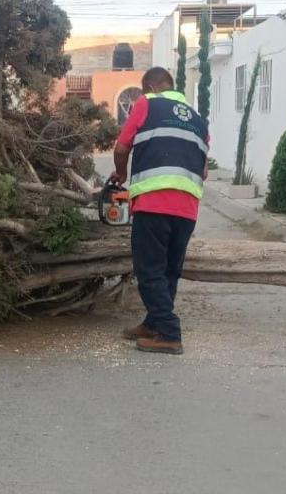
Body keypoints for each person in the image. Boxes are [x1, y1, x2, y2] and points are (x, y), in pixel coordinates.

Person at [109, 67, 210, 355]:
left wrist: (120, 174)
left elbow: (121, 148)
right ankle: (154, 323)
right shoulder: (198, 119)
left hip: (154, 202)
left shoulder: (147, 103)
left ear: (150, 88)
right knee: (168, 270)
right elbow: (203, 170)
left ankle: (169, 332)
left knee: (149, 269)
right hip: (188, 207)